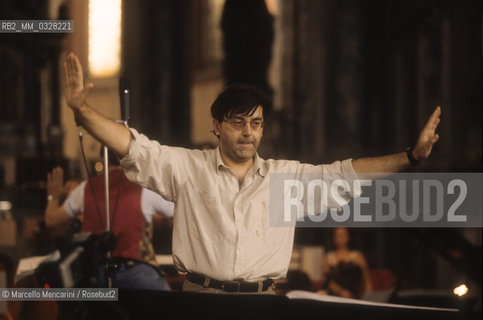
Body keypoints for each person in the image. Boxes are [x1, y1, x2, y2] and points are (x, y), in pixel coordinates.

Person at [62, 53, 440, 294]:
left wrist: (411, 156)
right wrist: (82, 112)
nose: (248, 132)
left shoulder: (284, 180)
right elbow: (132, 145)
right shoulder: (188, 169)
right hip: (202, 301)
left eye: (255, 123)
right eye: (238, 122)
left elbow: (345, 175)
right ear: (216, 125)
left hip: (265, 302)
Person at [44, 152, 174, 291]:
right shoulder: (144, 187)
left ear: (103, 160)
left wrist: (53, 196)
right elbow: (178, 211)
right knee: (170, 308)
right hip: (136, 272)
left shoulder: (86, 188)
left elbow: (51, 221)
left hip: (96, 274)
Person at [319, 227, 372, 299]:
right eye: (338, 235)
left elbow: (367, 281)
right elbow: (325, 281)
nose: (341, 238)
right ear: (334, 238)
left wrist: (369, 298)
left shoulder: (357, 256)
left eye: (343, 235)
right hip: (332, 293)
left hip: (351, 294)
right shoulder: (328, 257)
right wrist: (340, 291)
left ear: (348, 236)